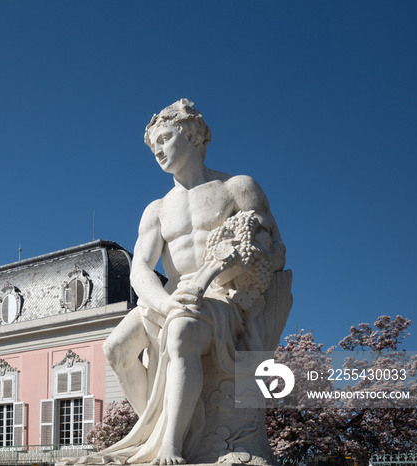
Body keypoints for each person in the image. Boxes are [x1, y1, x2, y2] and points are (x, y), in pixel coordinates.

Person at [101, 99, 286, 465]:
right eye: (153, 144)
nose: (158, 150)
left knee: (183, 330)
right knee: (116, 349)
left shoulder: (236, 187)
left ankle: (171, 445)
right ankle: (156, 434)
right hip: (169, 295)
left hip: (223, 294)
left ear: (192, 136)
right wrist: (165, 303)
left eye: (166, 138)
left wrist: (229, 275)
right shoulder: (157, 209)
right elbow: (140, 269)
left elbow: (272, 251)